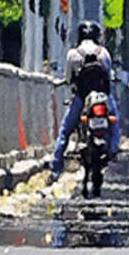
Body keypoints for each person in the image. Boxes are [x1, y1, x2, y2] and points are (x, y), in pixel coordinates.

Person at [51, 20, 121, 180]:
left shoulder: (73, 54)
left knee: (64, 131)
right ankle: (114, 148)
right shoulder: (104, 53)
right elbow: (109, 75)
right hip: (103, 97)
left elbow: (68, 79)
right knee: (115, 122)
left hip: (82, 98)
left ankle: (55, 169)